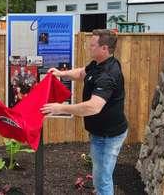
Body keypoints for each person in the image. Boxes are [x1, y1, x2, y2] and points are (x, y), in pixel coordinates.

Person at [41, 29, 128, 195]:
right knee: (99, 175)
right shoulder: (99, 64)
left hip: (108, 136)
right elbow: (82, 73)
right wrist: (62, 74)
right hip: (100, 133)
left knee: (103, 179)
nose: (89, 47)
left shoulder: (108, 74)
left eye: (93, 45)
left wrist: (60, 108)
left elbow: (93, 107)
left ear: (104, 48)